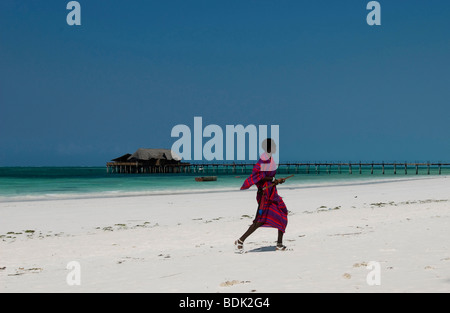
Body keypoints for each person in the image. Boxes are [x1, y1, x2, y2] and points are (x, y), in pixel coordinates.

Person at [235, 138, 289, 252]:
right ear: (269, 148)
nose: (276, 147)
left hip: (272, 193)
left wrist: (277, 181)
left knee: (283, 213)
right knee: (259, 220)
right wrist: (273, 179)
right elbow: (258, 175)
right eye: (274, 146)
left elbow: (268, 176)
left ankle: (279, 244)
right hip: (264, 194)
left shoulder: (270, 159)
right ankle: (240, 240)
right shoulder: (263, 159)